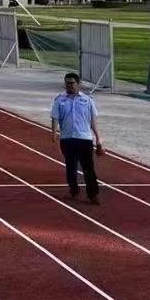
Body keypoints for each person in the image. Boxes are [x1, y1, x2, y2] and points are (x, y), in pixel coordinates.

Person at [50, 72, 103, 204]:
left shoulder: (87, 100)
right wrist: (54, 133)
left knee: (88, 168)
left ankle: (93, 194)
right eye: (67, 83)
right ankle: (73, 189)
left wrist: (98, 138)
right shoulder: (59, 100)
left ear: (78, 84)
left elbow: (93, 120)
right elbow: (55, 117)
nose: (69, 86)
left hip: (84, 139)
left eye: (72, 83)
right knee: (71, 167)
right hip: (67, 139)